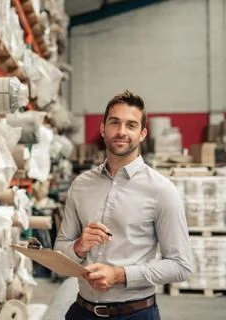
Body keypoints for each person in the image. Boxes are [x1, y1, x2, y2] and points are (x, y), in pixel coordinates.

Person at [55, 90, 192, 319]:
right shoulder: (81, 185)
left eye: (131, 125)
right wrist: (78, 246)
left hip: (134, 314)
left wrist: (120, 275)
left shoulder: (161, 190)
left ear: (142, 134)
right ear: (102, 129)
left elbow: (181, 265)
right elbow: (60, 250)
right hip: (82, 311)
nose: (121, 132)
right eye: (114, 123)